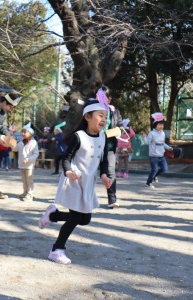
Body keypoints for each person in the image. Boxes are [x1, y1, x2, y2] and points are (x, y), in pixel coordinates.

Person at [38, 99, 112, 265]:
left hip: (89, 183)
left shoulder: (103, 137)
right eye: (100, 115)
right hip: (74, 181)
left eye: (105, 116)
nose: (104, 120)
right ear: (87, 116)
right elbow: (67, 158)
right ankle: (57, 250)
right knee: (76, 216)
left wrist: (104, 175)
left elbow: (104, 160)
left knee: (85, 219)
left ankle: (53, 215)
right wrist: (69, 171)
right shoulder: (78, 137)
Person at [97, 86, 123, 209]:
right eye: (100, 97)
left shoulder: (115, 112)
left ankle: (112, 199)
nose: (102, 99)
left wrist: (110, 133)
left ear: (109, 98)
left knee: (111, 171)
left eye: (105, 97)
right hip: (93, 147)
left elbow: (121, 128)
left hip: (109, 146)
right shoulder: (92, 111)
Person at [142, 112, 173, 189]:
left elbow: (162, 143)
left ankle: (154, 176)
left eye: (162, 125)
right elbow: (147, 142)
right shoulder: (152, 133)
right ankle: (148, 182)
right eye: (159, 124)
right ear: (155, 125)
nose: (161, 126)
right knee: (154, 169)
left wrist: (168, 147)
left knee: (164, 169)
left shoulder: (163, 133)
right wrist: (144, 137)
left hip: (161, 156)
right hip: (153, 156)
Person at [13, 123, 39, 201]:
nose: (23, 133)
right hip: (21, 165)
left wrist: (28, 159)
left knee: (29, 180)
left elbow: (36, 154)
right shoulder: (21, 142)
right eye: (22, 132)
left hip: (29, 166)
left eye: (25, 132)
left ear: (30, 134)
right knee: (24, 181)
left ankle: (30, 194)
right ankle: (25, 192)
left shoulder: (33, 143)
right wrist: (10, 145)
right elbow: (15, 148)